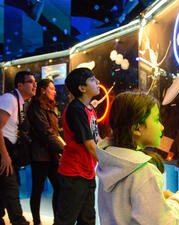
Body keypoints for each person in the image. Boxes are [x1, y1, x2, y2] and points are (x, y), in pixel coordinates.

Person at [96, 91, 179, 225]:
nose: (162, 126)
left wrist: (157, 198)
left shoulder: (110, 161)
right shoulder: (143, 171)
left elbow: (124, 207)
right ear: (137, 128)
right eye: (156, 120)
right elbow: (162, 222)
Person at [0, 71, 36, 225]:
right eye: (30, 81)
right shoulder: (9, 99)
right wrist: (4, 155)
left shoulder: (18, 101)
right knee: (10, 189)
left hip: (1, 150)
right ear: (19, 85)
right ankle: (18, 221)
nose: (34, 85)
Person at [54, 68, 100, 225]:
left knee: (88, 218)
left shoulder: (89, 108)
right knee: (66, 219)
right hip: (74, 173)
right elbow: (89, 144)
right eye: (93, 80)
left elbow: (96, 138)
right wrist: (108, 164)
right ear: (82, 88)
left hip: (87, 172)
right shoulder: (76, 109)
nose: (98, 82)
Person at [27, 79, 65, 225]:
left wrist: (61, 148)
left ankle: (58, 220)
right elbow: (46, 132)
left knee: (58, 187)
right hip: (40, 155)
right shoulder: (35, 107)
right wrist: (63, 149)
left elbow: (54, 132)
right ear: (43, 90)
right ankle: (37, 221)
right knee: (38, 188)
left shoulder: (51, 107)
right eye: (52, 88)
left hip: (52, 154)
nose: (55, 91)